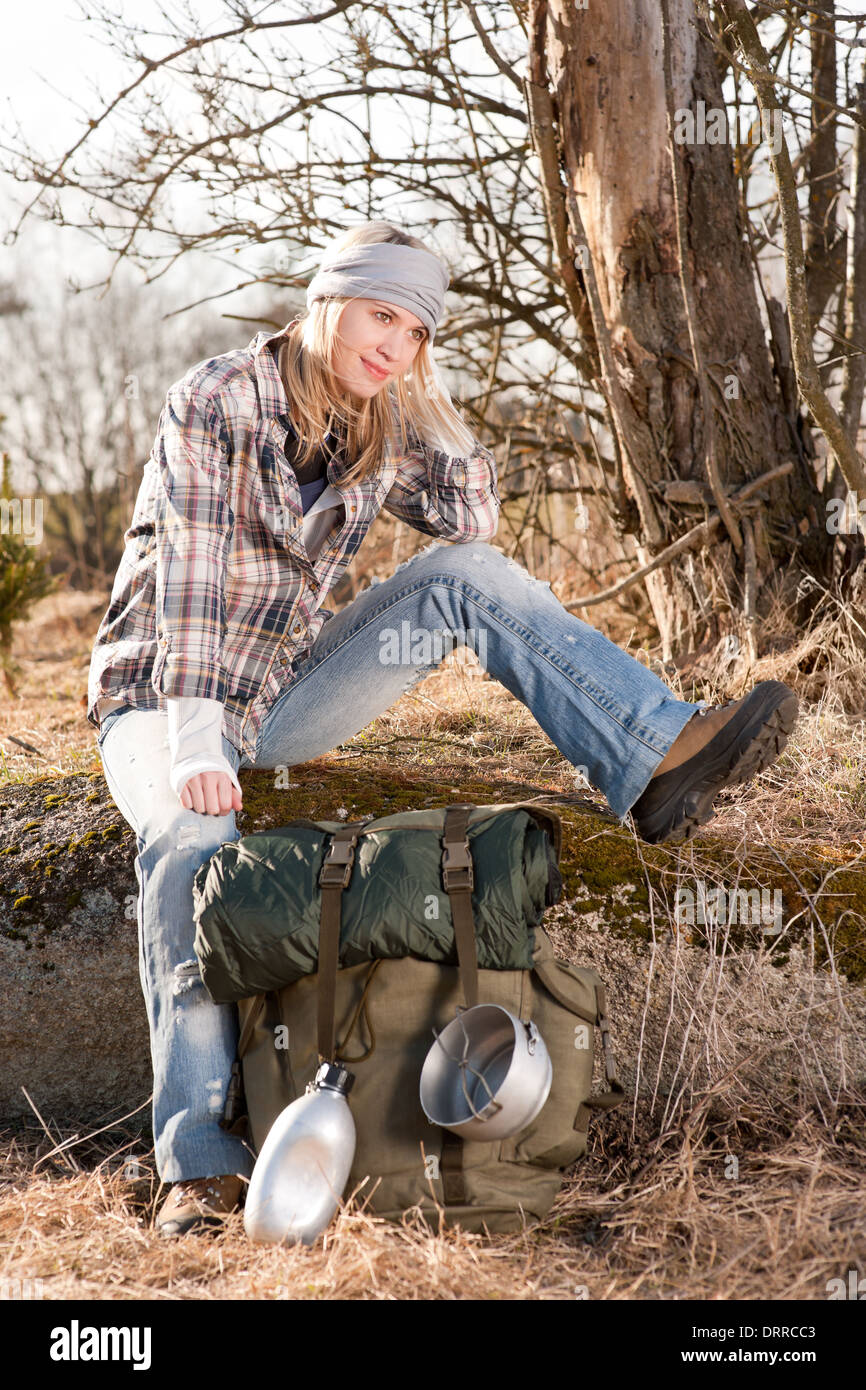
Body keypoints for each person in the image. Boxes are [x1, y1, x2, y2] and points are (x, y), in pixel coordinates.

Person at [88, 220, 798, 1236]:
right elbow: (193, 577)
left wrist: (429, 408)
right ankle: (194, 1165)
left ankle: (651, 756)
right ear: (331, 300)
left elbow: (472, 535)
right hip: (163, 694)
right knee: (193, 842)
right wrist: (196, 745)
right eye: (381, 316)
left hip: (277, 696)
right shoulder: (218, 397)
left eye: (417, 331)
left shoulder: (377, 414)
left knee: (465, 583)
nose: (395, 344)